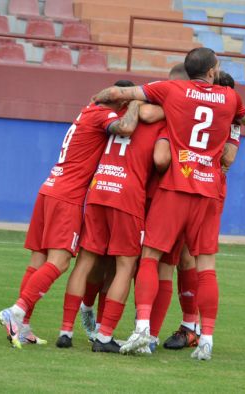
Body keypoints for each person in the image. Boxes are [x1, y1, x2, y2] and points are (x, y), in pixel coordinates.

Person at [92, 47, 245, 360]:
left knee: (151, 257)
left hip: (176, 186)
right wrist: (231, 122)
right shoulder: (230, 98)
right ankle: (205, 337)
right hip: (208, 191)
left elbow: (120, 93)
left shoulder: (174, 90)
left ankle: (143, 331)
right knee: (203, 265)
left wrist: (97, 99)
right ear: (211, 71)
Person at [0, 80, 143, 349]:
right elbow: (126, 127)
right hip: (68, 197)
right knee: (61, 262)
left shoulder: (88, 109)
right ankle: (16, 311)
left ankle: (24, 324)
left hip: (49, 187)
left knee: (38, 260)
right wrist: (135, 102)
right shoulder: (104, 115)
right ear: (120, 101)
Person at [55, 102, 167, 353]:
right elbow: (161, 160)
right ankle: (105, 337)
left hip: (99, 187)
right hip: (127, 197)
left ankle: (66, 330)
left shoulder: (119, 120)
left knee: (85, 261)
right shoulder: (161, 123)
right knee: (125, 267)